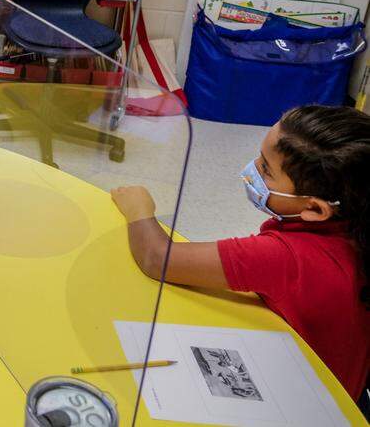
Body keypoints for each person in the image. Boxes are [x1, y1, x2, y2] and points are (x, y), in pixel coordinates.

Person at [111, 105, 370, 401]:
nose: (252, 170)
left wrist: (140, 209)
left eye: (266, 170)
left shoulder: (285, 257)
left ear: (314, 208)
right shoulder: (356, 221)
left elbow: (157, 258)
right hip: (348, 389)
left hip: (305, 401)